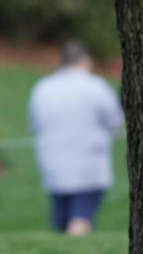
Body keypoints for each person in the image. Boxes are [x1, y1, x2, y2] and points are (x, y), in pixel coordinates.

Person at [28, 40, 124, 235]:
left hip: (53, 164)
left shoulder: (42, 88)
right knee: (81, 216)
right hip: (89, 166)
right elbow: (115, 122)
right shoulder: (96, 86)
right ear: (85, 62)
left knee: (60, 219)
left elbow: (34, 125)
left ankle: (60, 253)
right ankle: (74, 249)